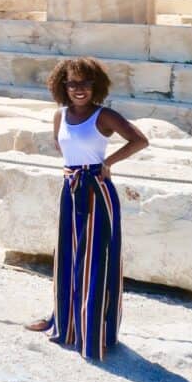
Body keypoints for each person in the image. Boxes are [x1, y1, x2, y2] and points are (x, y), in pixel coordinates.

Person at [26, 57, 148, 360]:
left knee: (95, 261)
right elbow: (62, 146)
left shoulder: (104, 116)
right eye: (72, 83)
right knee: (66, 257)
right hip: (70, 189)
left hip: (96, 191)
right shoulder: (60, 115)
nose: (79, 89)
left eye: (85, 83)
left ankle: (92, 333)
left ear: (96, 85)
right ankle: (63, 321)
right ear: (63, 86)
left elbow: (139, 140)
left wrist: (108, 163)